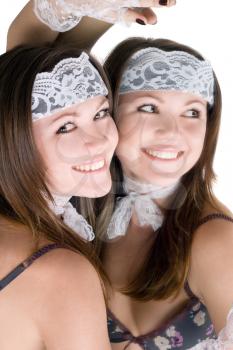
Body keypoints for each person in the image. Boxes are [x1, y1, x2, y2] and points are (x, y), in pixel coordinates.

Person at [9, 1, 233, 349]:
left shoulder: (216, 240)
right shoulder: (78, 200)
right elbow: (25, 73)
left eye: (192, 112)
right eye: (148, 107)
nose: (171, 132)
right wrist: (99, 7)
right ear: (108, 109)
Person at [0, 44, 118, 349]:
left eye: (101, 113)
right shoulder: (61, 273)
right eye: (65, 126)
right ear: (13, 140)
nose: (100, 140)